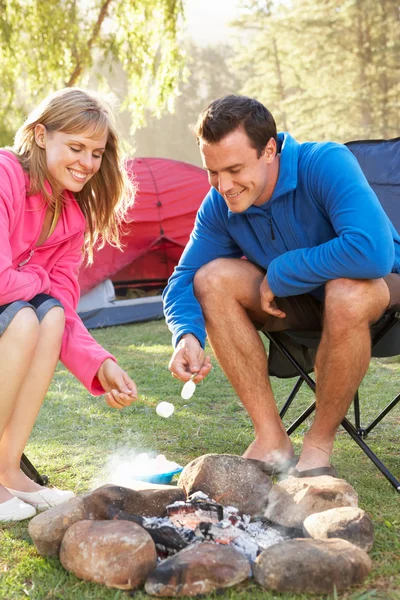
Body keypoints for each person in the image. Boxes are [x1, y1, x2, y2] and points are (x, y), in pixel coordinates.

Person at [163, 94, 400, 479]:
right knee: (212, 278)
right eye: (213, 172)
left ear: (269, 150)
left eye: (235, 169)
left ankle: (319, 444)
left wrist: (283, 271)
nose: (224, 185)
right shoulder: (219, 203)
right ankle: (271, 438)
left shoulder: (324, 162)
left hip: (381, 292)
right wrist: (185, 334)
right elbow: (183, 279)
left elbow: (372, 251)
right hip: (298, 304)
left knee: (346, 290)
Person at [0, 88, 138, 522]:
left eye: (96, 153)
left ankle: (7, 468)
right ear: (41, 135)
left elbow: (61, 304)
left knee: (52, 314)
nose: (87, 163)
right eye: (75, 147)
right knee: (26, 318)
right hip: (9, 312)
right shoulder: (5, 174)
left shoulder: (71, 215)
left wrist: (100, 364)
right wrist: (41, 283)